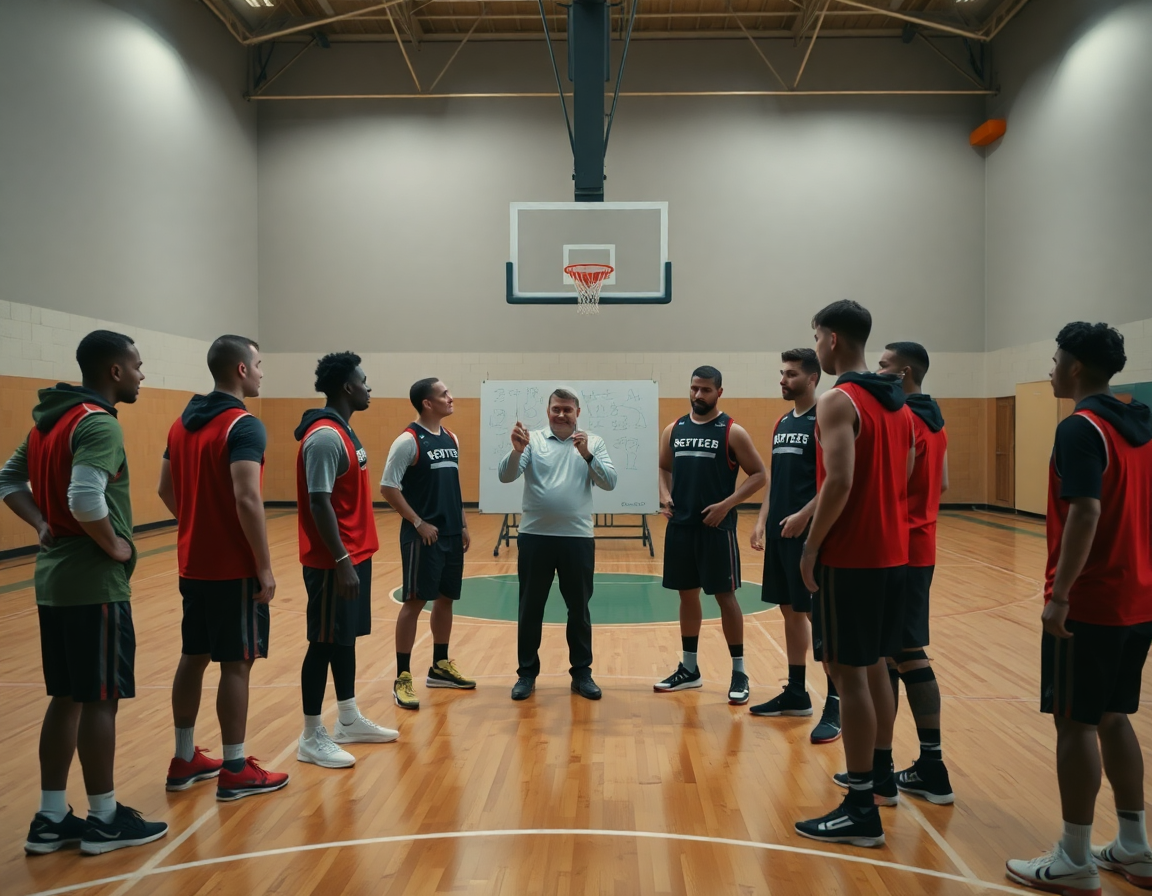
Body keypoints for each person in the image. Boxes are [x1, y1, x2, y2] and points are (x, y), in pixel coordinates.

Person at [0, 330, 168, 855]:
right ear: (114, 371)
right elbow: (84, 495)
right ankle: (104, 818)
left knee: (67, 697)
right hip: (93, 584)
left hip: (53, 582)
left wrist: (40, 525)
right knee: (101, 701)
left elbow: (8, 481)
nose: (143, 374)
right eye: (137, 365)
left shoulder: (46, 423)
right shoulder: (97, 423)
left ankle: (51, 817)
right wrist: (115, 545)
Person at [1006, 322, 1152, 894]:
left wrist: (1060, 594)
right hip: (1138, 597)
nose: (1049, 369)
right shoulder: (1141, 425)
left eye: (1054, 359)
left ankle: (1074, 856)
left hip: (1090, 602)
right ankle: (1136, 848)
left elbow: (1086, 512)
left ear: (1073, 368)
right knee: (1115, 717)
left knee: (1076, 724)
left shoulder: (1080, 428)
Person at [794, 301, 913, 849]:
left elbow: (839, 482)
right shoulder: (899, 402)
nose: (816, 345)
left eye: (817, 337)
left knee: (848, 674)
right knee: (878, 671)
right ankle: (882, 775)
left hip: (852, 555)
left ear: (833, 339)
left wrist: (812, 547)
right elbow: (902, 476)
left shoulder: (838, 399)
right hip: (894, 553)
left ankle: (861, 805)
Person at [160, 335, 289, 802]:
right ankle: (234, 768)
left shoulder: (181, 424)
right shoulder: (243, 425)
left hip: (192, 563)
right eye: (258, 364)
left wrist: (197, 522)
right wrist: (265, 566)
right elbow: (247, 497)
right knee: (237, 665)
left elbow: (163, 488)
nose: (260, 372)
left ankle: (183, 757)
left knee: (193, 656)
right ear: (239, 369)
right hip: (233, 569)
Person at [295, 352, 398, 769]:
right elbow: (319, 503)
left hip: (353, 555)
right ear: (346, 387)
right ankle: (310, 734)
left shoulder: (344, 430)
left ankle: (349, 718)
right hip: (331, 562)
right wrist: (340, 560)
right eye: (363, 380)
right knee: (321, 644)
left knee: (344, 639)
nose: (368, 387)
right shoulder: (323, 437)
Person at [654, 366, 767, 705]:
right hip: (681, 529)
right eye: (694, 389)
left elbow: (760, 474)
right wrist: (664, 494)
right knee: (686, 597)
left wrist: (727, 505)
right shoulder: (673, 429)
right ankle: (690, 670)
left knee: (725, 598)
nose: (698, 395)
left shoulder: (733, 431)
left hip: (717, 530)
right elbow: (663, 467)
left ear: (719, 392)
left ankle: (739, 671)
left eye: (705, 390)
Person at [498, 388, 618, 701]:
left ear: (577, 412)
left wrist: (587, 455)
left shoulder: (592, 443)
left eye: (567, 410)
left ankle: (582, 674)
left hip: (577, 539)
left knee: (578, 610)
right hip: (535, 537)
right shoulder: (531, 441)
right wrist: (515, 451)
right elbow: (506, 476)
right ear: (548, 410)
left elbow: (609, 482)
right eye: (555, 409)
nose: (561, 415)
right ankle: (526, 675)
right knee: (530, 608)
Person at [749, 349, 841, 744]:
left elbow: (835, 480)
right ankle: (797, 692)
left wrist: (804, 516)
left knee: (819, 619)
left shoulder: (826, 418)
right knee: (789, 612)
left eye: (790, 375)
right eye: (782, 374)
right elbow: (775, 478)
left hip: (809, 535)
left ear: (813, 378)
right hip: (780, 534)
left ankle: (836, 703)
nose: (783, 380)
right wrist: (760, 519)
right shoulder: (782, 421)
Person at [876, 342, 953, 805]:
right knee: (892, 654)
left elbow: (895, 480)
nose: (878, 370)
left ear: (904, 372)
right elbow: (941, 483)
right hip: (920, 544)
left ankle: (924, 767)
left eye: (884, 365)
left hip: (899, 548)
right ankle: (892, 764)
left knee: (904, 653)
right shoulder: (935, 418)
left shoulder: (904, 417)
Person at [381, 378, 474, 710]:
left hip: (450, 534)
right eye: (444, 394)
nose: (451, 397)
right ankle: (402, 676)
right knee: (415, 603)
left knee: (446, 601)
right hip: (423, 536)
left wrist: (462, 523)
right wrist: (418, 523)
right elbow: (388, 488)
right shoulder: (407, 441)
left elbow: (454, 484)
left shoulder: (451, 438)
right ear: (427, 404)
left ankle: (440, 666)